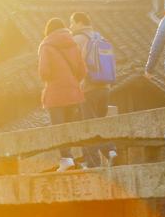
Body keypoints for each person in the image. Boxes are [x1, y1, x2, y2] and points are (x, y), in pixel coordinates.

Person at [38, 17, 87, 172]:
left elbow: (44, 72)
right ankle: (74, 159)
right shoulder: (73, 43)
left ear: (48, 31)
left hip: (55, 94)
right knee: (70, 127)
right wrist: (72, 81)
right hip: (73, 93)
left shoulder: (46, 45)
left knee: (58, 128)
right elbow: (82, 71)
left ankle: (66, 159)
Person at [70, 12, 118, 168]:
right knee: (99, 123)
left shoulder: (78, 39)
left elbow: (73, 65)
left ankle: (93, 162)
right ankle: (111, 151)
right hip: (105, 87)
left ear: (79, 22)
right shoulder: (99, 37)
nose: (70, 26)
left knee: (88, 126)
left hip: (88, 88)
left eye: (72, 23)